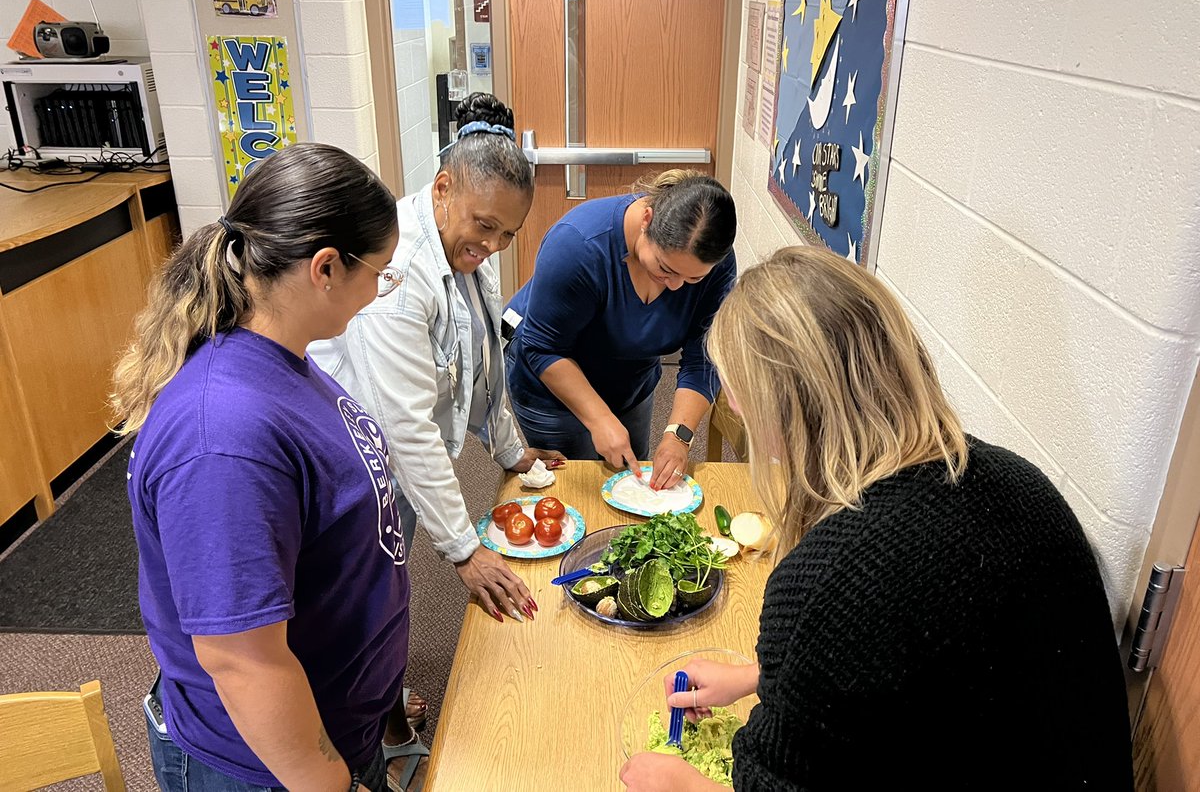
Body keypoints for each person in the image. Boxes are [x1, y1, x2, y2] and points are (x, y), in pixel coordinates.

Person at [619, 245, 1134, 791]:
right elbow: (923, 669)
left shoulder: (829, 579)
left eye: (740, 391)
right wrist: (761, 678)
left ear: (788, 404)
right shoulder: (1020, 480)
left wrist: (681, 784)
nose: (734, 407)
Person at [112, 143, 412, 792]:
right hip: (272, 768)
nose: (379, 292)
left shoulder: (282, 359)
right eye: (380, 273)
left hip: (332, 730)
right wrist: (329, 782)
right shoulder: (223, 437)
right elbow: (241, 660)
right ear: (326, 268)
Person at [310, 93, 563, 627]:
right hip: (352, 452)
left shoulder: (462, 244)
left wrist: (511, 450)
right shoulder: (401, 273)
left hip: (390, 446)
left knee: (386, 569)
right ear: (443, 188)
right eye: (486, 225)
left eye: (508, 233)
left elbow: (481, 359)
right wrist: (464, 550)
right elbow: (404, 426)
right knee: (355, 589)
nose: (494, 244)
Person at [504, 169, 737, 490]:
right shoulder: (578, 244)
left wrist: (678, 436)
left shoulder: (714, 262)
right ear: (647, 220)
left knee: (630, 482)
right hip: (552, 382)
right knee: (576, 490)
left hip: (631, 380)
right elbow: (543, 347)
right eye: (665, 268)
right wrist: (599, 418)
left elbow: (703, 358)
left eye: (693, 279)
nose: (676, 286)